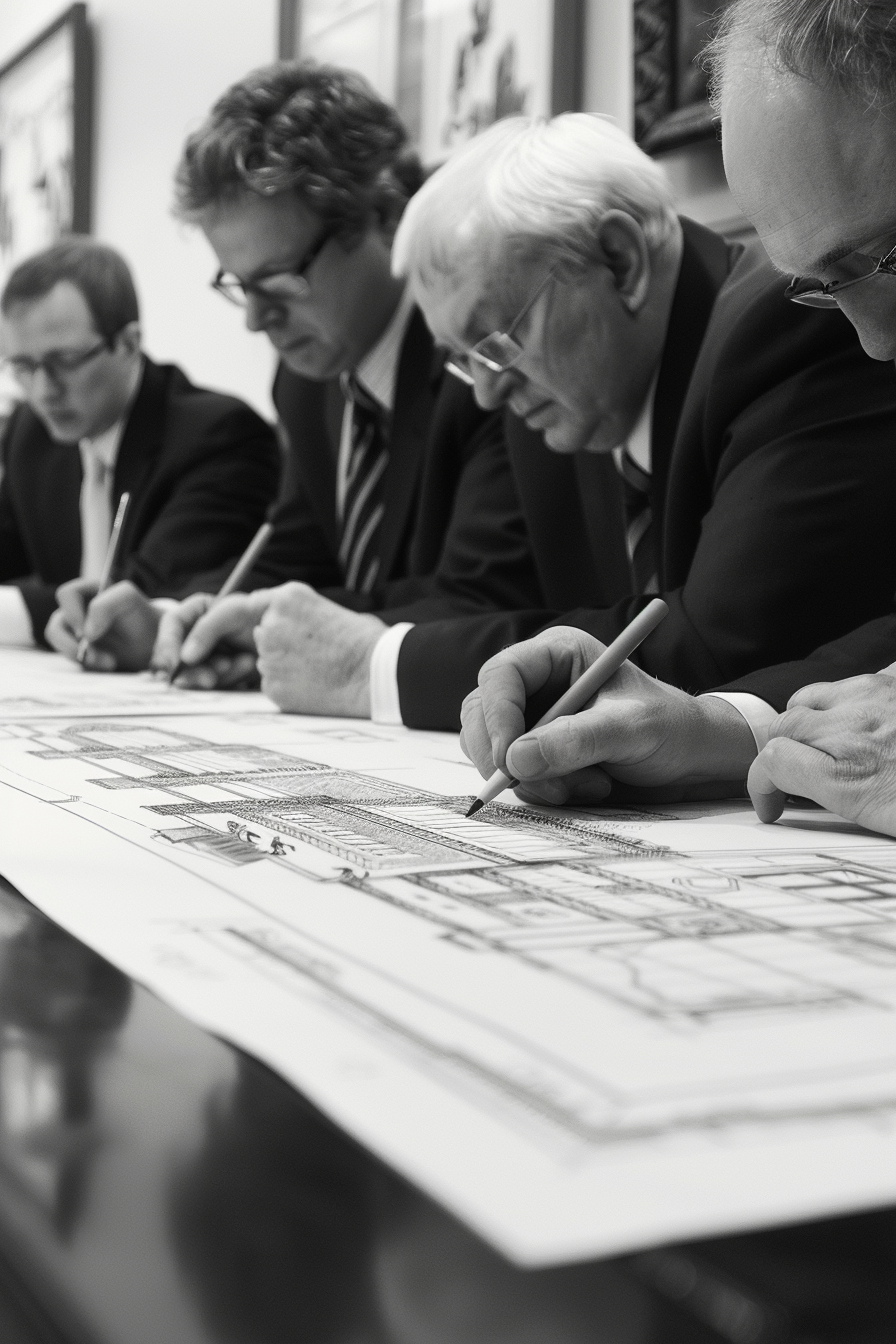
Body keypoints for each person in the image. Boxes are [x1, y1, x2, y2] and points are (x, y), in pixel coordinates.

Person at [159, 112, 896, 729]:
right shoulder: (563, 394)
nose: (484, 393)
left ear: (619, 260)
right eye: (462, 358)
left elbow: (718, 647)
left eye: (495, 342)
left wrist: (371, 668)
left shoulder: (788, 323)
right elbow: (546, 612)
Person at [49, 61, 541, 684]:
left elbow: (485, 599)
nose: (256, 321)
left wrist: (264, 626)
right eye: (239, 285)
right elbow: (294, 555)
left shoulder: (484, 362)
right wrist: (178, 616)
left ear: (384, 216)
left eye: (279, 280)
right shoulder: (307, 385)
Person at [0, 238, 279, 657]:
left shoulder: (219, 435)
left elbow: (140, 593)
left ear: (129, 344)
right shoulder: (31, 433)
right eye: (23, 366)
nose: (42, 390)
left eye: (66, 361)